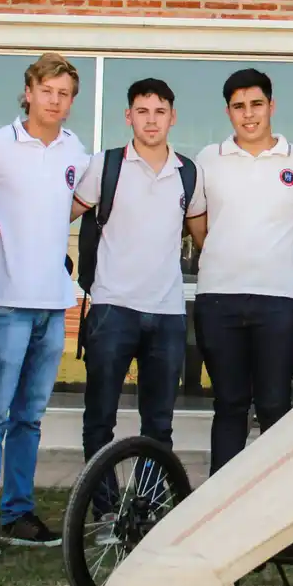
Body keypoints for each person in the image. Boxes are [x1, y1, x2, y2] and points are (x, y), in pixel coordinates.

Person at [0, 53, 89, 559]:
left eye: (65, 94)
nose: (55, 101)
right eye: (48, 91)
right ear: (29, 91)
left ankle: (18, 511)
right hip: (1, 301)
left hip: (51, 303)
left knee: (30, 417)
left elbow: (77, 203)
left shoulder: (74, 150)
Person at [72, 78, 207, 473]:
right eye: (142, 112)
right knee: (100, 420)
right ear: (128, 116)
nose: (151, 121)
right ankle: (103, 508)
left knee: (159, 426)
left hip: (167, 313)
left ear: (173, 117)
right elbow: (59, 216)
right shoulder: (106, 165)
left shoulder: (188, 173)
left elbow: (203, 239)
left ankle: (143, 508)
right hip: (113, 308)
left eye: (160, 112)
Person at [194, 68, 293, 472]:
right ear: (228, 111)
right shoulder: (208, 159)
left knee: (274, 406)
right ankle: (217, 509)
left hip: (278, 299)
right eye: (239, 107)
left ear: (271, 106)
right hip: (218, 298)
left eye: (256, 104)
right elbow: (198, 224)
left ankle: (273, 511)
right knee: (229, 404)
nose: (249, 115)